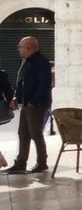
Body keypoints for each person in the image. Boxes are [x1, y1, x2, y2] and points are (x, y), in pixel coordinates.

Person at [3, 37, 52, 174]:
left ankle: (42, 163)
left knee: (35, 133)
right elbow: (21, 82)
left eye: (20, 46)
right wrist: (15, 97)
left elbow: (44, 85)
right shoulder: (25, 61)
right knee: (23, 133)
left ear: (29, 47)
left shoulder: (41, 62)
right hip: (26, 103)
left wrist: (33, 101)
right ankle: (20, 163)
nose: (18, 48)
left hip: (36, 104)